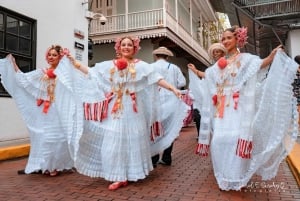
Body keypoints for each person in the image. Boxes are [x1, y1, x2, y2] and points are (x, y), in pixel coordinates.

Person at [55, 36, 188, 190]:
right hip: (116, 110)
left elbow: (156, 78)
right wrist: (73, 62)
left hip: (133, 110)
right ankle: (119, 175)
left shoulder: (142, 66)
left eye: (129, 45)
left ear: (135, 48)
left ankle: (128, 174)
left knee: (132, 140)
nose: (126, 47)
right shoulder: (110, 65)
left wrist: (173, 89)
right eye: (123, 45)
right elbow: (92, 72)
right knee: (114, 140)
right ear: (119, 47)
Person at [194, 25, 298, 191]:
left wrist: (271, 56)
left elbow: (260, 64)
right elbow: (209, 76)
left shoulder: (246, 59)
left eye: (229, 37)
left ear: (237, 39)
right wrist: (197, 73)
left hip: (238, 108)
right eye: (223, 39)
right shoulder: (220, 63)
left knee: (235, 139)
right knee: (219, 140)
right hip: (221, 110)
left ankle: (235, 177)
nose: (225, 41)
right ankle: (223, 175)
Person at [0, 45, 74, 176]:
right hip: (45, 111)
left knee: (59, 138)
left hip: (59, 110)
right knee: (44, 137)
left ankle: (55, 165)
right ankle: (44, 165)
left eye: (54, 55)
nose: (51, 57)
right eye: (49, 55)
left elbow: (71, 89)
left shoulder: (65, 73)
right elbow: (24, 80)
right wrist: (14, 65)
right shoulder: (42, 72)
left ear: (59, 57)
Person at [150, 47, 186, 167]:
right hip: (171, 99)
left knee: (155, 129)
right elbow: (182, 83)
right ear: (167, 57)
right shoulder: (174, 67)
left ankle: (153, 158)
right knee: (169, 128)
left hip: (155, 100)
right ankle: (166, 157)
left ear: (156, 56)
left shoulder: (150, 67)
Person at [187, 43, 227, 137]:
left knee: (221, 121)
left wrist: (195, 71)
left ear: (222, 53)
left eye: (217, 51)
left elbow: (209, 76)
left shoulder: (223, 63)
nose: (215, 54)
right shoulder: (216, 65)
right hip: (217, 97)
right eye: (214, 52)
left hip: (223, 96)